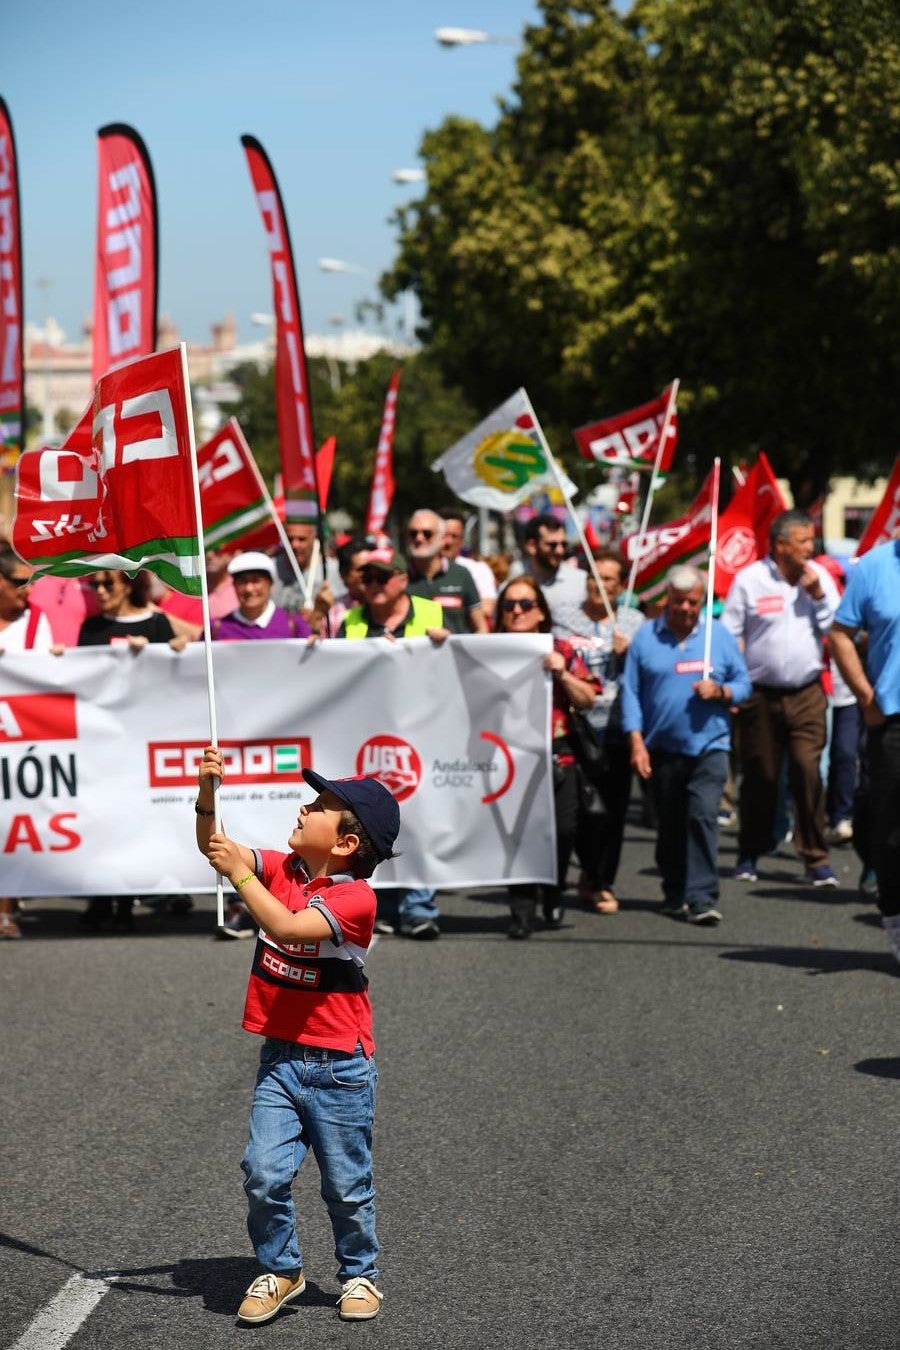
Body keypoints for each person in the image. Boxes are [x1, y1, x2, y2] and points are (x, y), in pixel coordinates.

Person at [196, 748, 399, 1324]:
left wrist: (236, 873)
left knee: (346, 1187)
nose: (304, 809)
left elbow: (284, 925)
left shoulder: (355, 898)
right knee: (262, 1173)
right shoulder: (283, 867)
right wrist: (207, 793)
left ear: (345, 845)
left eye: (320, 807)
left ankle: (360, 1275)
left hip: (341, 1067)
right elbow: (214, 843)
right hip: (281, 1061)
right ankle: (281, 1269)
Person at [621, 565, 751, 924]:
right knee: (670, 823)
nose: (685, 609)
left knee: (702, 815)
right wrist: (636, 741)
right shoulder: (646, 638)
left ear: (701, 602)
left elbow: (744, 683)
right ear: (667, 599)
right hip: (662, 747)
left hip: (710, 743)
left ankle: (701, 896)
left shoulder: (718, 637)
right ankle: (674, 888)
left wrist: (722, 691)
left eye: (693, 602)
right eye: (678, 602)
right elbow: (631, 693)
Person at [721, 509, 840, 887]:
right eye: (804, 541)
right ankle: (750, 852)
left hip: (807, 693)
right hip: (760, 695)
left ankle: (815, 858)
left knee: (807, 770)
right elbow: (730, 634)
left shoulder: (818, 578)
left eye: (812, 540)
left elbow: (838, 629)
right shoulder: (750, 580)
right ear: (781, 544)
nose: (811, 547)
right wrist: (734, 683)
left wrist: (818, 595)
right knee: (762, 776)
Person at [336, 547, 447, 938]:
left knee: (420, 818)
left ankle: (418, 906)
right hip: (364, 734)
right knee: (370, 822)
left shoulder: (433, 614)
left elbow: (460, 664)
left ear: (402, 579)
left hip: (422, 733)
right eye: (367, 578)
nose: (375, 585)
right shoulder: (350, 620)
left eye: (383, 577)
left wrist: (446, 644)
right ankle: (377, 904)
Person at [495, 575, 598, 938]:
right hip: (510, 760)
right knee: (519, 836)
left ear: (541, 611)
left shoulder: (562, 649)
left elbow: (589, 698)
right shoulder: (486, 650)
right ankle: (521, 912)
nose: (518, 611)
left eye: (526, 604)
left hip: (558, 757)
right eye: (509, 605)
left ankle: (553, 889)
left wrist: (562, 673)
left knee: (564, 830)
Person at [553, 548, 645, 913]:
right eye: (594, 578)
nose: (599, 585)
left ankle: (600, 879)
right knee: (576, 810)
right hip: (574, 728)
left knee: (612, 810)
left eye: (607, 579)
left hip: (616, 729)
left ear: (621, 586)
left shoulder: (633, 621)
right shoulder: (563, 617)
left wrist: (629, 653)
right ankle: (579, 873)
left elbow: (645, 673)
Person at [828, 536, 900, 965]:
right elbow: (840, 634)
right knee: (892, 830)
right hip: (893, 720)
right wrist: (865, 696)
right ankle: (894, 916)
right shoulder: (874, 566)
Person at [0, 548, 64, 939]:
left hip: (18, 744)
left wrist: (57, 661)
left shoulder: (36, 622)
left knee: (10, 822)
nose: (29, 590)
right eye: (20, 582)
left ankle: (6, 908)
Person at [405, 508, 488, 634]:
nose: (419, 538)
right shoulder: (398, 577)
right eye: (413, 533)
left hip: (456, 654)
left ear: (442, 538)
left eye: (427, 533)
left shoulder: (461, 574)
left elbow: (480, 627)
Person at [212, 553, 312, 641]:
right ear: (234, 585)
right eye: (242, 582)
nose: (249, 589)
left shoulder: (294, 625)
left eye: (256, 581)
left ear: (271, 583)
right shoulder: (216, 629)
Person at [517, 512, 586, 625]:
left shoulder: (582, 581)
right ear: (532, 546)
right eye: (552, 545)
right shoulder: (514, 584)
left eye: (563, 544)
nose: (560, 551)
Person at [272, 521, 335, 634]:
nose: (295, 545)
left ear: (313, 540)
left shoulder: (330, 569)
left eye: (302, 539)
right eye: (290, 539)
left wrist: (318, 614)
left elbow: (341, 610)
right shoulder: (271, 568)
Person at [439, 509, 498, 624]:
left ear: (462, 540)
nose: (448, 542)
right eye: (444, 535)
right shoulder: (421, 571)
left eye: (454, 536)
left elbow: (487, 608)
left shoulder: (478, 570)